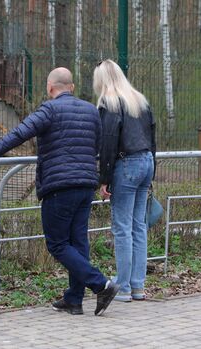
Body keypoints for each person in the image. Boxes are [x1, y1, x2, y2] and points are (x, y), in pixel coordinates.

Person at [0, 67, 119, 316]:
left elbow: (21, 132)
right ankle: (74, 299)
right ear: (72, 87)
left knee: (57, 244)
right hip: (86, 183)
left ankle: (101, 284)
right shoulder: (90, 110)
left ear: (50, 88)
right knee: (77, 242)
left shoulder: (49, 109)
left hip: (59, 186)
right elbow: (97, 144)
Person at [94, 59, 156, 302]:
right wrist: (151, 170)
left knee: (122, 228)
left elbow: (108, 144)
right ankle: (138, 286)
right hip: (146, 162)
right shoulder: (139, 100)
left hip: (126, 165)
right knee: (138, 226)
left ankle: (124, 286)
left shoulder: (109, 104)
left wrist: (104, 179)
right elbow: (153, 138)